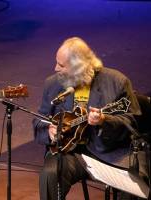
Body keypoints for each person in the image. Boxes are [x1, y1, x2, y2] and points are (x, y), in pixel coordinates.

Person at [33, 37, 149, 200]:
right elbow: (40, 120)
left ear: (78, 67)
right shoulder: (53, 84)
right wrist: (50, 131)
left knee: (135, 184)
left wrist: (104, 121)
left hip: (110, 152)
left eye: (61, 65)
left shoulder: (117, 81)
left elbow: (132, 121)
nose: (55, 68)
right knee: (50, 174)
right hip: (71, 153)